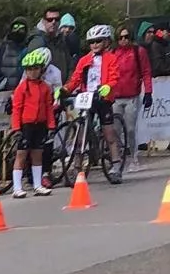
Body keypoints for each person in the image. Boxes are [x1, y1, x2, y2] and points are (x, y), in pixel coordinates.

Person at [64, 25, 124, 172]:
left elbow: (115, 76)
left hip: (103, 98)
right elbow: (76, 78)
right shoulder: (84, 60)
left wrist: (109, 86)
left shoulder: (111, 58)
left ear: (106, 42)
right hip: (87, 97)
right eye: (91, 42)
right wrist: (66, 89)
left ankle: (116, 165)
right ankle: (77, 166)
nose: (94, 45)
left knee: (109, 133)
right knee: (81, 133)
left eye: (98, 41)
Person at [9, 49, 57, 198]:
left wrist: (51, 126)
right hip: (26, 125)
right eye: (29, 69)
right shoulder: (22, 88)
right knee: (21, 155)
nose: (32, 72)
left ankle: (37, 185)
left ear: (41, 69)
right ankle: (17, 187)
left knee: (38, 155)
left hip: (40, 124)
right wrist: (16, 128)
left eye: (36, 68)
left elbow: (49, 108)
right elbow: (16, 109)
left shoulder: (45, 87)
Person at [108, 25, 153, 172]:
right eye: (120, 37)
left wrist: (148, 92)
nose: (123, 40)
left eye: (126, 37)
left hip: (132, 96)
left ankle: (133, 158)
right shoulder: (113, 53)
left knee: (131, 129)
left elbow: (146, 72)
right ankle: (118, 158)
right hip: (115, 97)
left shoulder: (138, 51)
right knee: (115, 130)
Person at [0, 17, 31, 104]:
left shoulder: (29, 49)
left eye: (21, 28)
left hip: (23, 96)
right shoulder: (0, 48)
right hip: (0, 97)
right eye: (15, 27)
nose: (18, 30)